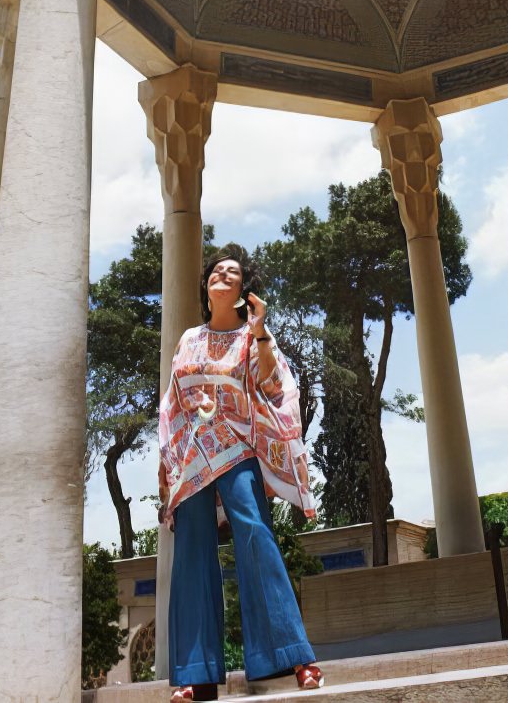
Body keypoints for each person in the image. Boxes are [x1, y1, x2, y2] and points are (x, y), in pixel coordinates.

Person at [158, 246, 324, 702]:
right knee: (191, 553)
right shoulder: (189, 338)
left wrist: (261, 330)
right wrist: (165, 462)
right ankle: (196, 674)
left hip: (238, 447)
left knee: (254, 535)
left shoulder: (253, 337)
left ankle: (293, 655)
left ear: (242, 290)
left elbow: (272, 385)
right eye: (216, 270)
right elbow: (172, 401)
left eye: (232, 272)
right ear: (207, 285)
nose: (223, 274)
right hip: (192, 456)